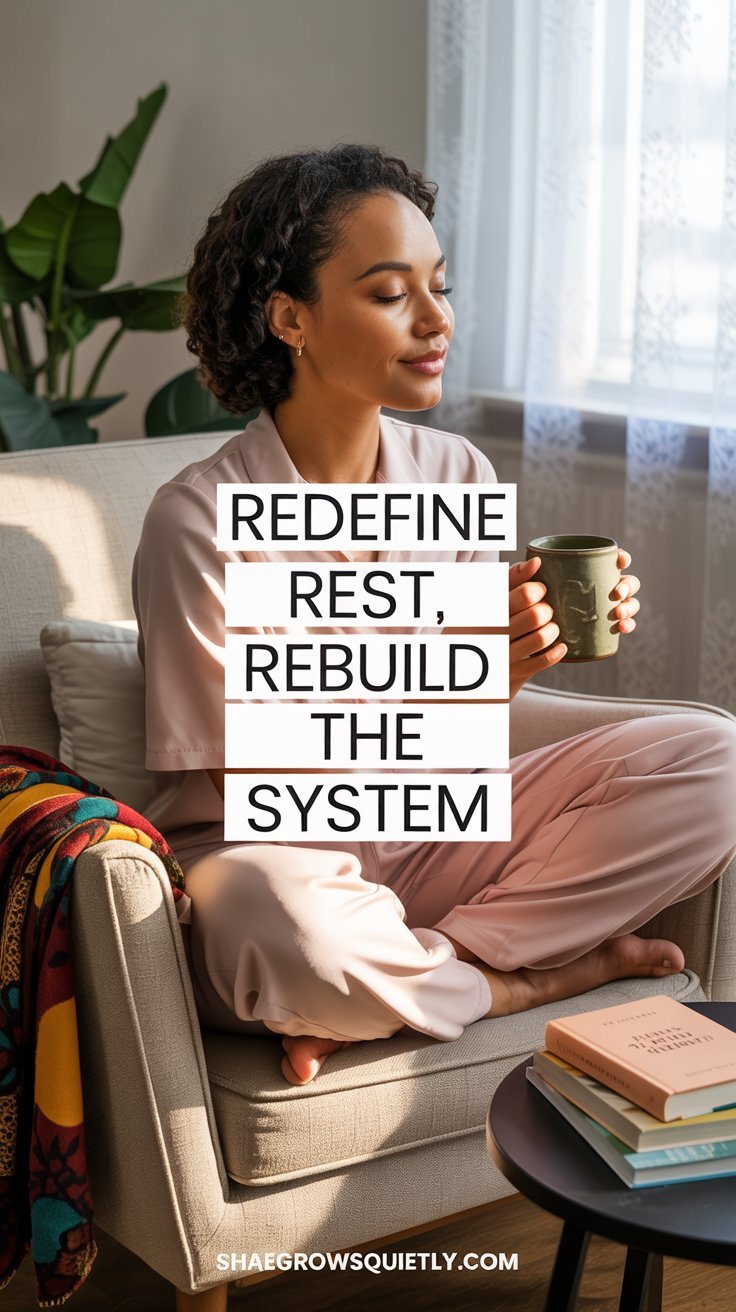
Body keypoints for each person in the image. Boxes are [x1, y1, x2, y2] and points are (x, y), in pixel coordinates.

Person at [132, 143, 736, 1088]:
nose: (436, 319)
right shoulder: (196, 520)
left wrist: (518, 657)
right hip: (265, 860)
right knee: (288, 922)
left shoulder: (456, 475)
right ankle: (522, 982)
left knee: (718, 763)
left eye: (439, 286)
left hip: (432, 839)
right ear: (291, 317)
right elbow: (256, 781)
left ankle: (419, 974)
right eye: (388, 293)